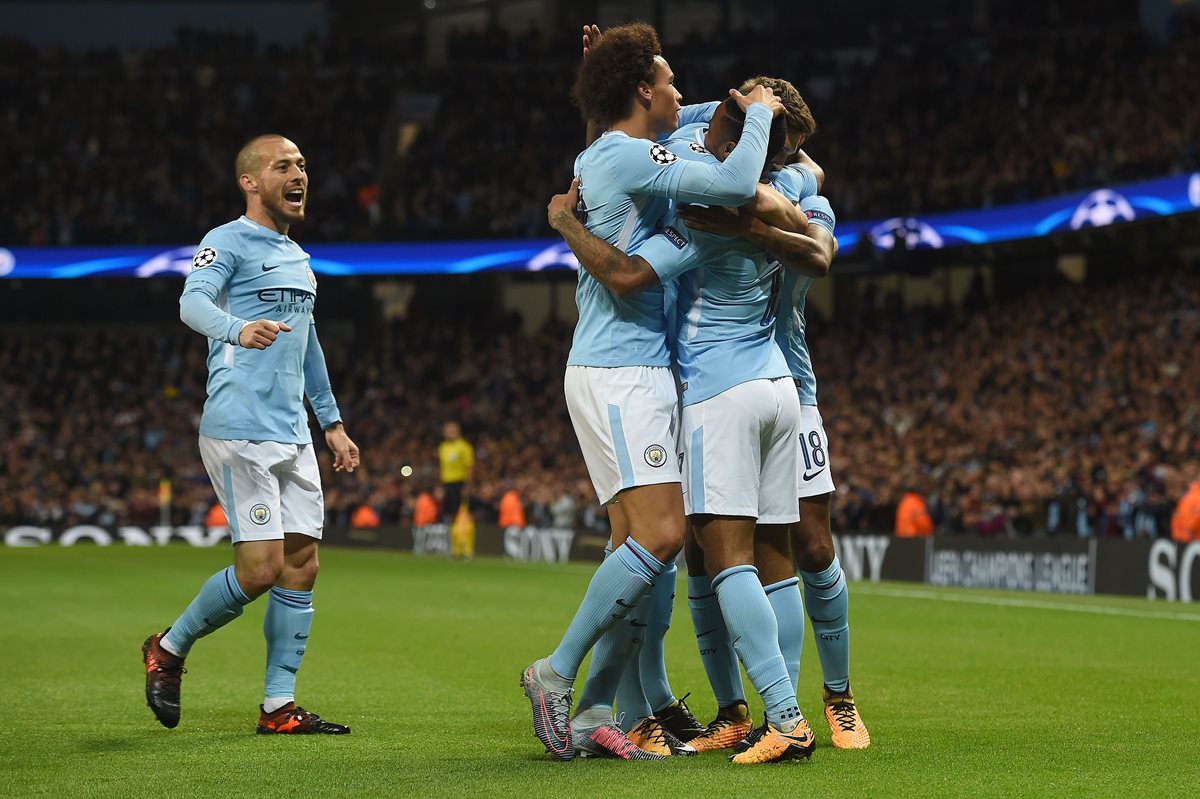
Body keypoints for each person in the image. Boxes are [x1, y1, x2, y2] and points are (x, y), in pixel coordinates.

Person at [521, 21, 785, 762]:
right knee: (663, 536)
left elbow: (691, 122)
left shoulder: (627, 145)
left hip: (639, 368)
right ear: (642, 90)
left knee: (644, 554)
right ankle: (556, 672)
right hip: (618, 369)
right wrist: (762, 109)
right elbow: (732, 178)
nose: (680, 92)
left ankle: (591, 712)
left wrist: (600, 75)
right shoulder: (630, 156)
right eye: (667, 80)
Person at [142, 134, 360, 735]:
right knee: (260, 568)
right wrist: (238, 330)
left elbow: (308, 344)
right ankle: (168, 648)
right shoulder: (226, 241)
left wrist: (333, 423)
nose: (299, 175)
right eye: (283, 166)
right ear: (250, 181)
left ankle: (278, 708)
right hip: (239, 425)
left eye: (303, 166)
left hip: (292, 432)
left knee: (302, 565)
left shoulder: (300, 258)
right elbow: (192, 306)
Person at [438, 421, 474, 523]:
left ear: (458, 431)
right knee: (445, 510)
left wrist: (467, 485)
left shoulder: (464, 446)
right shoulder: (442, 447)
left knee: (458, 511)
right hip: (446, 483)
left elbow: (469, 467)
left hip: (459, 482)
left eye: (452, 431)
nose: (450, 433)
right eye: (448, 431)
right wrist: (440, 485)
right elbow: (442, 467)